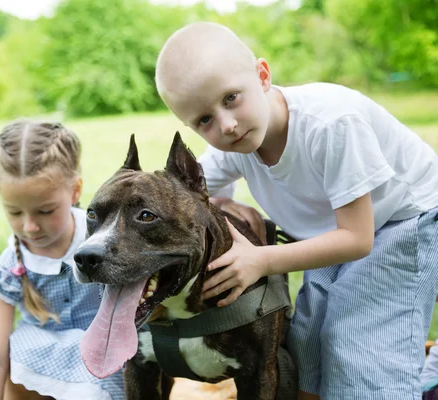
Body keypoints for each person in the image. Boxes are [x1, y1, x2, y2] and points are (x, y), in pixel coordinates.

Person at [155, 21, 438, 400]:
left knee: (358, 343)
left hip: (405, 223)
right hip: (333, 236)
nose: (227, 124)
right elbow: (191, 200)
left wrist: (260, 260)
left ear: (263, 75)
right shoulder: (232, 145)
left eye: (231, 98)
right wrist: (225, 203)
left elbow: (358, 238)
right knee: (305, 338)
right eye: (204, 120)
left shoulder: (332, 124)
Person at [0, 120, 125, 400]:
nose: (30, 226)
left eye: (45, 210)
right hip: (40, 364)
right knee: (15, 358)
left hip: (100, 356)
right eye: (15, 213)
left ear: (75, 191)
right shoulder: (6, 269)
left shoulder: (100, 244)